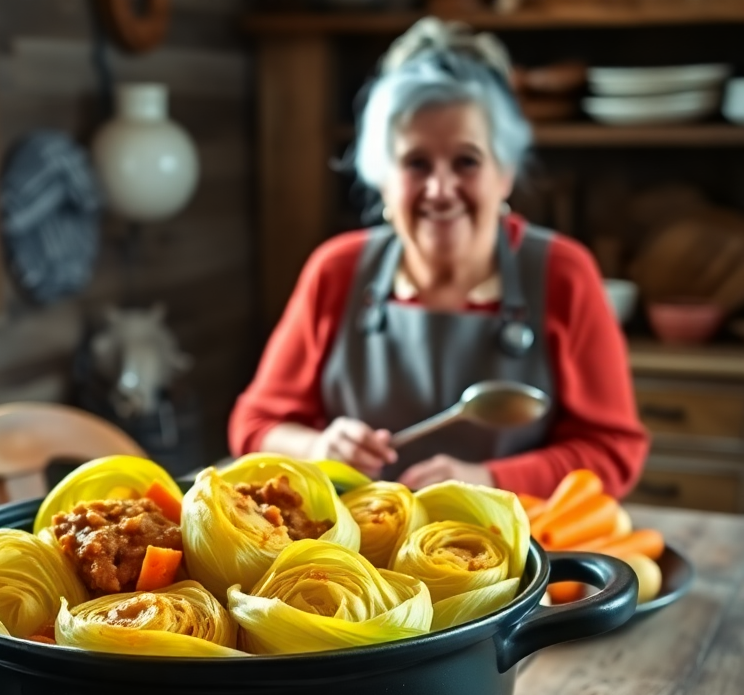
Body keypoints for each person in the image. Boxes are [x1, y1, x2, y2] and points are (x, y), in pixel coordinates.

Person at [228, 17, 649, 498]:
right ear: (382, 175)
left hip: (516, 558)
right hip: (356, 562)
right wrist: (317, 446)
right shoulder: (337, 270)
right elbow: (255, 425)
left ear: (504, 173)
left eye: (466, 161)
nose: (440, 189)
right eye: (416, 163)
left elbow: (614, 451)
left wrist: (489, 481)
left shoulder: (562, 273)